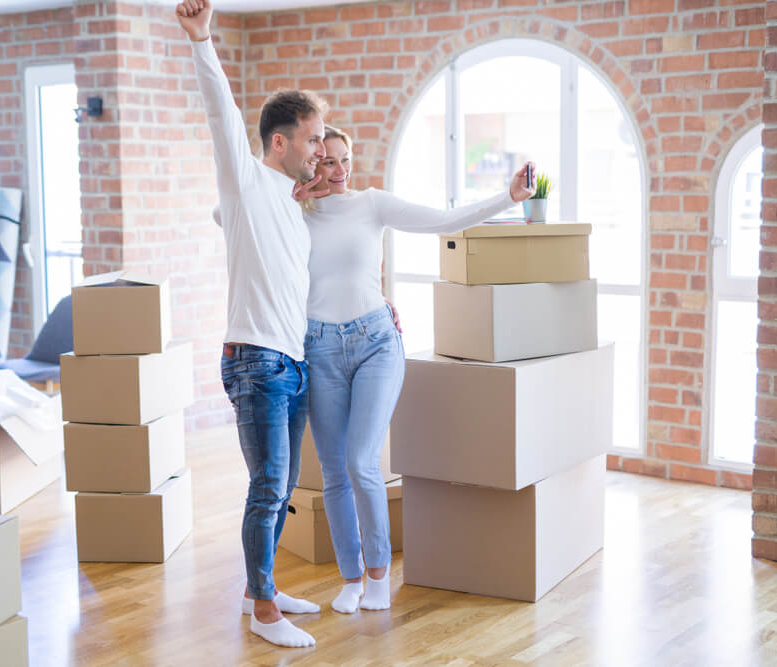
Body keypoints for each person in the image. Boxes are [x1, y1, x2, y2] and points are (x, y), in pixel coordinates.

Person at [299, 125, 536, 614]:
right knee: (333, 470)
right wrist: (289, 194)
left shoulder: (371, 204)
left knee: (361, 460)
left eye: (346, 160)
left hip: (374, 342)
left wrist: (508, 197)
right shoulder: (294, 213)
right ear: (311, 164)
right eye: (328, 161)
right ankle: (350, 577)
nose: (340, 170)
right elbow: (227, 218)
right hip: (318, 347)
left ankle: (378, 573)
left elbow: (443, 220)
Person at [175, 0, 334, 648]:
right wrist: (203, 40)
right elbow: (221, 111)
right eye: (314, 138)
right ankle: (264, 609)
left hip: (290, 362)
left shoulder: (291, 205)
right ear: (280, 140)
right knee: (268, 485)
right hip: (256, 361)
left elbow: (247, 236)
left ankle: (255, 588)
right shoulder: (244, 179)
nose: (321, 149)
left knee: (282, 484)